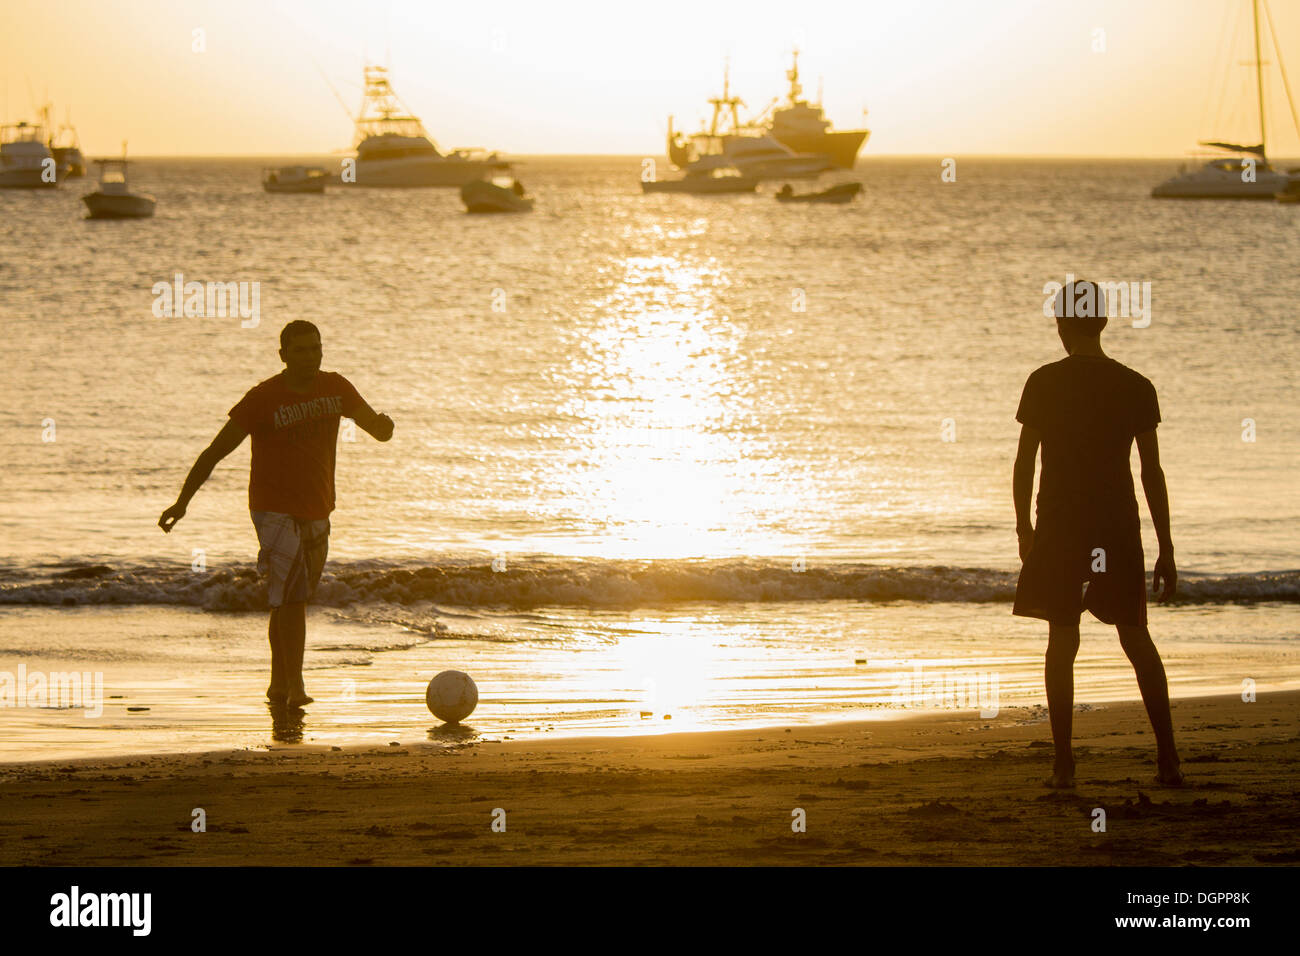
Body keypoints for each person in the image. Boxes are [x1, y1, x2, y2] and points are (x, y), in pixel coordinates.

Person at [158, 321, 393, 706]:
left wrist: (386, 427)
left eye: (316, 348)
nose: (310, 356)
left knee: (286, 598)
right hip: (272, 509)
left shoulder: (336, 387)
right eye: (300, 350)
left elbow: (376, 429)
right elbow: (215, 451)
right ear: (283, 354)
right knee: (294, 595)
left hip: (318, 506)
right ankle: (296, 688)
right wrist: (182, 503)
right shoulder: (263, 399)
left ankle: (277, 684)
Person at [1013, 279, 1182, 789]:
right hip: (1116, 526)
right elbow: (1152, 473)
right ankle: (1168, 760)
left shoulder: (1043, 382)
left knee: (1061, 640)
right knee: (1136, 638)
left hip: (1060, 526)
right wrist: (1166, 547)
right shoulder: (1135, 385)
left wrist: (1024, 529)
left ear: (1062, 325)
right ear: (1103, 323)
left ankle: (1063, 764)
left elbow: (1024, 464)